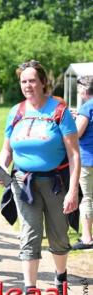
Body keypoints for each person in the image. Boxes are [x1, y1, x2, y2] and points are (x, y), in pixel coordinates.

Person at [0, 60, 80, 295]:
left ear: (43, 82)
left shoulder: (60, 111)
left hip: (55, 184)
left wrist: (73, 190)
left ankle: (61, 278)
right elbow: (7, 149)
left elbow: (74, 154)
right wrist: (1, 167)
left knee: (58, 237)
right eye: (24, 81)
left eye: (32, 80)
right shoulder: (16, 111)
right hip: (23, 183)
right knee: (29, 236)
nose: (28, 86)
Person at [72, 76, 93, 249]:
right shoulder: (85, 109)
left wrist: (75, 120)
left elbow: (77, 133)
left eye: (79, 91)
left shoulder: (87, 107)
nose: (79, 94)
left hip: (87, 159)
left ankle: (87, 238)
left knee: (87, 198)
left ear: (85, 91)